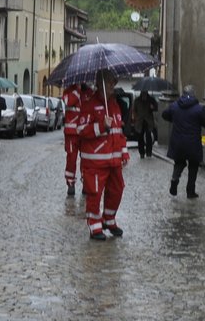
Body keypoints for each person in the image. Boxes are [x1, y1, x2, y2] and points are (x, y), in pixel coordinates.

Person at [76, 72, 128, 239]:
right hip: (95, 162)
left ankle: (109, 219)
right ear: (100, 83)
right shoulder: (89, 104)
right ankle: (95, 226)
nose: (113, 85)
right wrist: (100, 126)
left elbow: (118, 131)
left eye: (114, 82)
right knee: (94, 194)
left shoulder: (114, 105)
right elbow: (81, 130)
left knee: (117, 190)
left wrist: (124, 151)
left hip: (113, 161)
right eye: (110, 82)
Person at [162, 85, 205, 198]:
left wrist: (174, 119)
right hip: (193, 143)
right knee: (193, 166)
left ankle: (174, 178)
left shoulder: (174, 106)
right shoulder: (199, 108)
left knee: (179, 162)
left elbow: (164, 114)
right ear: (193, 94)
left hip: (178, 142)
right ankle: (190, 191)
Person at [62, 81, 88, 194]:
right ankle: (70, 184)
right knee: (71, 159)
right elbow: (68, 101)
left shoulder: (87, 91)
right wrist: (77, 90)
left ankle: (86, 183)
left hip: (85, 132)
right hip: (72, 133)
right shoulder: (69, 90)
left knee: (86, 159)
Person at [133, 89, 159, 158]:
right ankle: (141, 152)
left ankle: (149, 152)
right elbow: (134, 110)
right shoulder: (137, 100)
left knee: (148, 137)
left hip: (148, 121)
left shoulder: (151, 99)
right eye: (143, 92)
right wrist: (135, 118)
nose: (144, 93)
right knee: (140, 138)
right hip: (140, 121)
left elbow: (156, 107)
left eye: (145, 92)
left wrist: (153, 107)